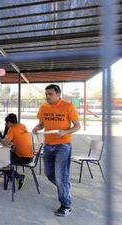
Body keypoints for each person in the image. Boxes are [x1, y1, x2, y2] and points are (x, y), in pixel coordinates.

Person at [33, 84, 80, 217]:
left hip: (63, 145)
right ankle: (65, 187)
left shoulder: (68, 106)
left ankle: (66, 205)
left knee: (60, 177)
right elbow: (42, 124)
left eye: (50, 94)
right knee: (50, 175)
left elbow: (77, 126)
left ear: (58, 94)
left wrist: (65, 131)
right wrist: (37, 128)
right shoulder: (43, 107)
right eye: (46, 94)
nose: (47, 96)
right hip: (48, 145)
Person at [0, 113, 34, 190]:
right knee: (4, 156)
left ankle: (19, 177)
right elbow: (21, 140)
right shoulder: (22, 125)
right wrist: (14, 148)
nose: (6, 124)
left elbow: (5, 143)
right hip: (29, 156)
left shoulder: (12, 129)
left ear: (9, 122)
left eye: (6, 123)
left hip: (23, 157)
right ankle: (10, 175)